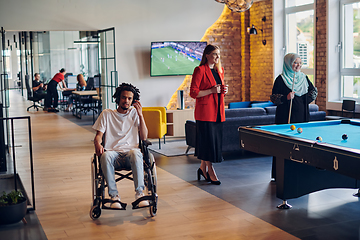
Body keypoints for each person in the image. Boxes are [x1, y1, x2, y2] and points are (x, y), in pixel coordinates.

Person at [92, 83, 149, 209]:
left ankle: (140, 194)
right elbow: (99, 135)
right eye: (124, 97)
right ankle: (114, 197)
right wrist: (97, 143)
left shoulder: (135, 114)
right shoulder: (107, 114)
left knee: (136, 152)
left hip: (131, 155)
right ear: (118, 98)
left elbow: (144, 137)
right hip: (113, 154)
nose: (126, 101)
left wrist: (140, 115)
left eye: (129, 98)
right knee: (105, 155)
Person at [190, 44, 228, 185]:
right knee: (207, 143)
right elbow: (193, 92)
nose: (217, 57)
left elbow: (218, 90)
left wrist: (224, 90)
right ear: (207, 55)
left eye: (218, 54)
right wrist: (211, 91)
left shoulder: (220, 70)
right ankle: (210, 171)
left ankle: (202, 168)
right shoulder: (199, 70)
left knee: (212, 142)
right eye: (214, 54)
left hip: (218, 112)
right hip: (205, 113)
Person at [270, 53, 318, 124]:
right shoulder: (280, 79)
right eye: (295, 63)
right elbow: (273, 98)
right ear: (288, 63)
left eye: (300, 63)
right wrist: (286, 97)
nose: (299, 65)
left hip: (302, 115)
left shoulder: (304, 77)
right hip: (285, 117)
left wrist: (304, 100)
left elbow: (313, 91)